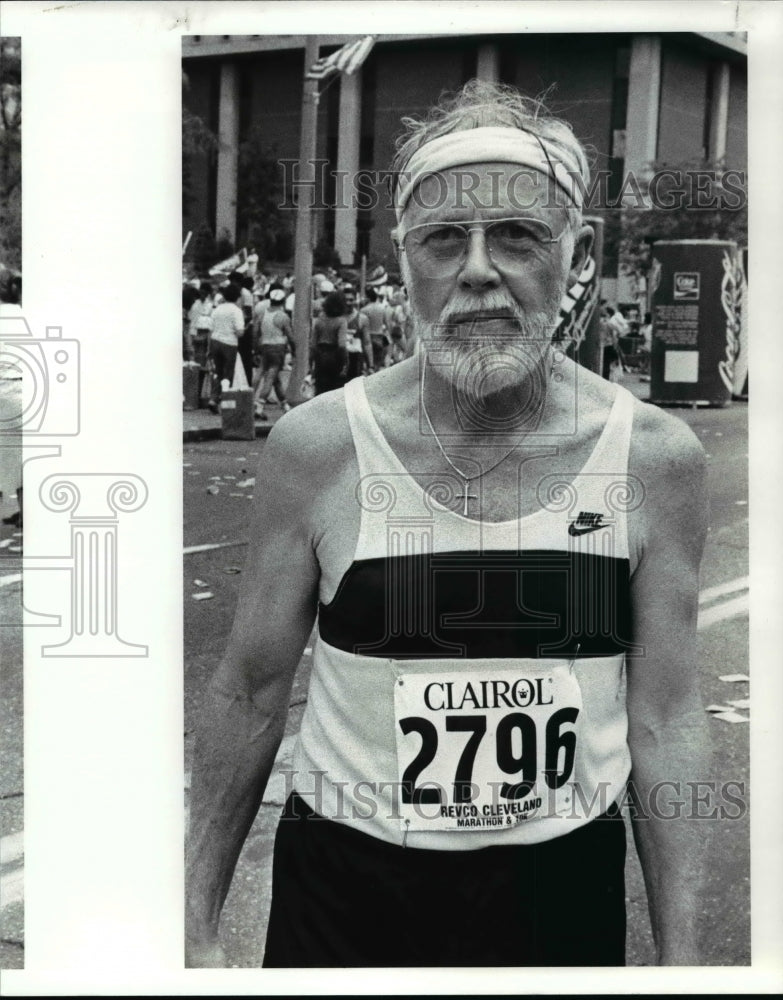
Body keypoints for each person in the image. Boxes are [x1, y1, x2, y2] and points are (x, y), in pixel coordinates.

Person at [187, 80, 711, 968]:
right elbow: (248, 688)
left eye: (516, 235)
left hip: (561, 894)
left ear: (575, 254)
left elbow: (664, 716)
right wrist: (193, 924)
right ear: (404, 264)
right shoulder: (318, 448)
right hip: (347, 896)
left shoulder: (655, 459)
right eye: (443, 239)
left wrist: (685, 958)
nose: (477, 269)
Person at [253, 287, 293, 421]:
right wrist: (294, 349)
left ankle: (285, 405)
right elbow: (290, 336)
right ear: (282, 301)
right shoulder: (283, 317)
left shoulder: (262, 314)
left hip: (264, 346)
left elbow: (255, 332)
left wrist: (256, 348)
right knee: (271, 377)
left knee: (269, 376)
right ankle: (259, 406)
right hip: (278, 349)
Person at [206, 282, 244, 411]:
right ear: (237, 297)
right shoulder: (236, 311)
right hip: (229, 344)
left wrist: (209, 347)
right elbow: (240, 332)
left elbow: (210, 329)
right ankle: (225, 402)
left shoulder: (217, 309)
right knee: (228, 373)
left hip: (215, 341)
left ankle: (213, 398)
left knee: (217, 372)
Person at [310, 290, 349, 396]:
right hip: (334, 356)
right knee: (335, 389)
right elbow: (341, 345)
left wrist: (310, 364)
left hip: (320, 355)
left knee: (320, 388)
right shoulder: (341, 321)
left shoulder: (319, 321)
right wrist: (345, 362)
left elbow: (312, 345)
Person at [343, 285, 372, 380]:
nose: (348, 303)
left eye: (351, 300)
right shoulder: (336, 317)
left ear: (355, 300)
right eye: (345, 300)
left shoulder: (362, 319)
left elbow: (367, 343)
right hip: (338, 362)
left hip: (355, 362)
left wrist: (370, 365)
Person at [361, 285, 389, 371]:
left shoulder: (364, 310)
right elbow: (387, 324)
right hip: (379, 337)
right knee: (378, 364)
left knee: (369, 364)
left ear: (368, 298)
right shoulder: (382, 308)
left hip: (367, 338)